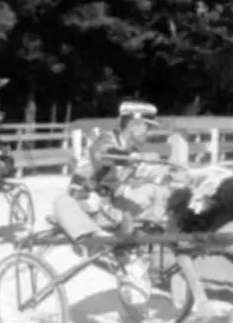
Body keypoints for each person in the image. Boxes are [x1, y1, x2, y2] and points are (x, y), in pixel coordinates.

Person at [50, 100, 173, 310]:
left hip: (110, 203)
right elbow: (108, 157)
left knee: (155, 201)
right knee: (129, 231)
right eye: (147, 126)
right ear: (133, 124)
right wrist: (139, 158)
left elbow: (141, 173)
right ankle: (123, 257)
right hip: (86, 202)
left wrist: (167, 173)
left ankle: (130, 270)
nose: (149, 132)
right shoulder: (104, 140)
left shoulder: (131, 148)